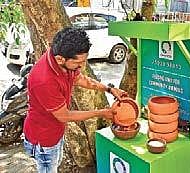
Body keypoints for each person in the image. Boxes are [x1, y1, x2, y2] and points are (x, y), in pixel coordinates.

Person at [23, 26, 127, 173]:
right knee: (48, 168)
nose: (82, 66)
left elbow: (83, 80)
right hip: (43, 140)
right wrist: (102, 113)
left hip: (56, 132)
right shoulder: (44, 80)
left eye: (84, 61)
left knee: (55, 163)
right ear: (60, 59)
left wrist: (110, 89)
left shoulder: (65, 63)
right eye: (79, 63)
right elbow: (64, 115)